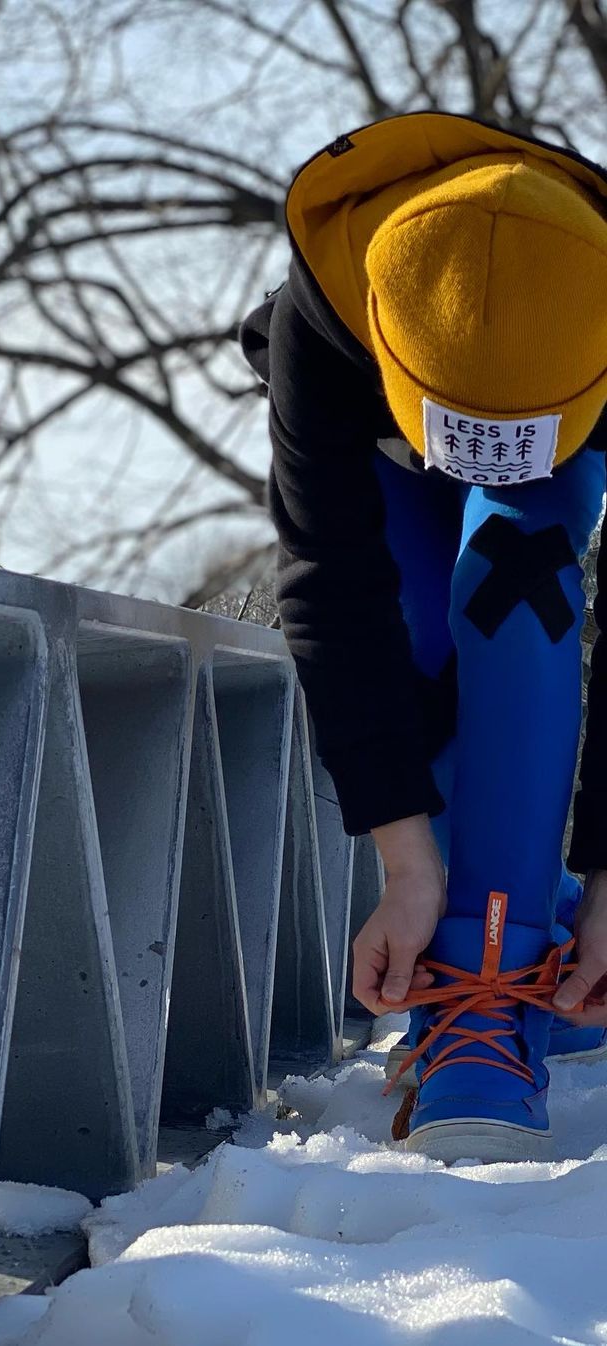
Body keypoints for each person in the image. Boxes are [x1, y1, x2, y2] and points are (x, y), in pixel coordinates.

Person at [239, 111, 607, 1162]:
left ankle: (498, 993)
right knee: (406, 621)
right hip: (381, 425)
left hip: (568, 411)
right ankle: (476, 951)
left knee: (512, 577)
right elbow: (331, 594)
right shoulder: (324, 316)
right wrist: (405, 865)